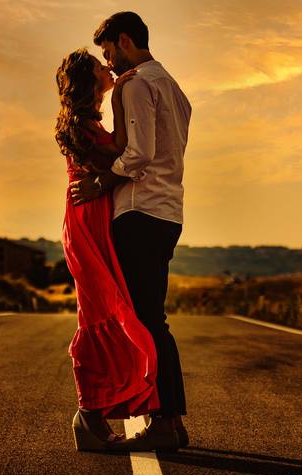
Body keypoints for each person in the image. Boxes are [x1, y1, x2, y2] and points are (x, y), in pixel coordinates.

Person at [70, 11, 192, 452]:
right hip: (168, 212)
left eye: (109, 52)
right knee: (152, 318)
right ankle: (170, 421)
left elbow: (138, 155)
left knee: (145, 320)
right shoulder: (176, 89)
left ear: (125, 41)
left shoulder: (138, 83)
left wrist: (103, 181)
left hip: (140, 212)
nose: (110, 63)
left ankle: (162, 422)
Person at [56, 47, 159, 451]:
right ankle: (89, 416)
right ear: (90, 81)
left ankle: (94, 414)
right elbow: (121, 150)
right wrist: (120, 95)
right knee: (97, 312)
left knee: (102, 308)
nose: (108, 68)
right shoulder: (82, 123)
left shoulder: (84, 120)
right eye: (101, 67)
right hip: (86, 219)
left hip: (93, 213)